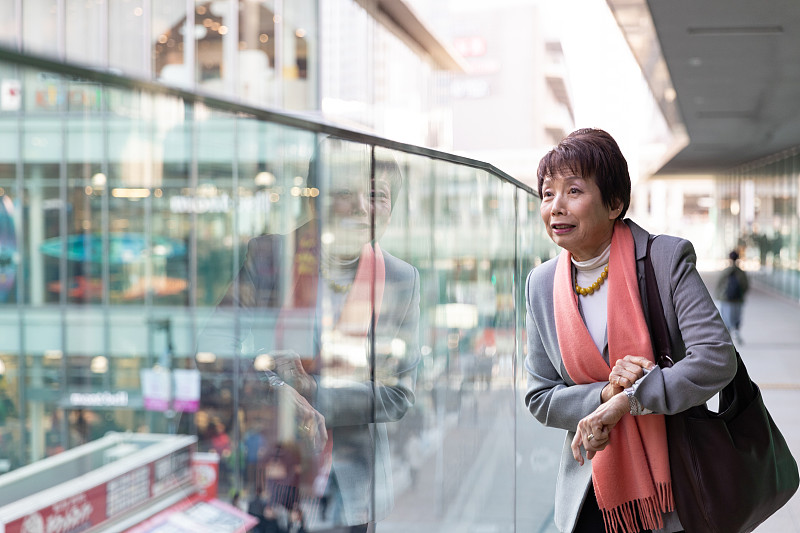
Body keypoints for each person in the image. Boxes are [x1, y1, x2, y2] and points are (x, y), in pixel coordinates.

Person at [197, 136, 421, 532]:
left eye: (376, 194)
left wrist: (313, 390)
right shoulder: (270, 257)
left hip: (350, 491)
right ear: (315, 201)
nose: (361, 207)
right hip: (270, 474)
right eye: (343, 192)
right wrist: (275, 389)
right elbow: (214, 347)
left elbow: (399, 393)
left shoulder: (401, 279)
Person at [524, 128, 737, 533]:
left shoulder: (665, 259)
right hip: (588, 486)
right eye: (548, 194)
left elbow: (715, 359)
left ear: (614, 203)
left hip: (673, 489)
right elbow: (538, 396)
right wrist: (603, 394)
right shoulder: (540, 284)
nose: (556, 207)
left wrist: (629, 400)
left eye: (573, 191)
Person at [715, 250, 749, 343]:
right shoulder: (741, 272)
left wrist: (718, 296)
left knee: (726, 318)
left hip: (725, 299)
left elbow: (719, 285)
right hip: (737, 300)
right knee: (737, 317)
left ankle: (727, 338)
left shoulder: (725, 271)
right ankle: (736, 333)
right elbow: (745, 285)